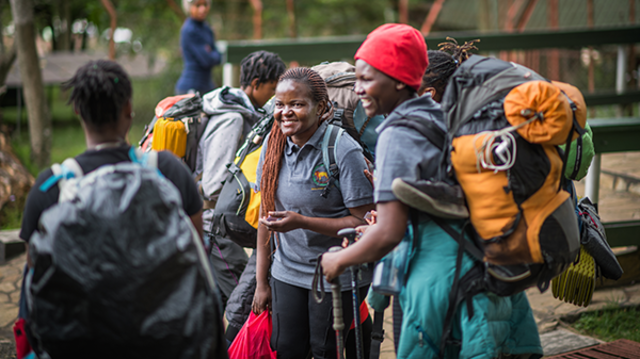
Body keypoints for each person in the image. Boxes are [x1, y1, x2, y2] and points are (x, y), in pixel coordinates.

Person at [321, 24, 542, 359]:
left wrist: (338, 260)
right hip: (478, 264)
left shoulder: (396, 133)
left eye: (367, 79)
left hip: (437, 280)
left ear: (398, 80)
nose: (358, 89)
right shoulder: (440, 115)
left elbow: (389, 234)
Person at [18, 59, 226, 357]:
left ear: (78, 111)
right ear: (129, 108)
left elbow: (37, 269)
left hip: (86, 339)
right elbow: (195, 251)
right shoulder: (169, 170)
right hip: (163, 337)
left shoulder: (50, 187)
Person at [251, 67, 375, 359]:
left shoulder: (342, 150)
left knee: (324, 351)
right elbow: (264, 219)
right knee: (287, 349)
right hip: (287, 272)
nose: (285, 112)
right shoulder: (273, 145)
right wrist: (261, 282)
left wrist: (302, 222)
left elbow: (362, 222)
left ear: (321, 108)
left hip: (335, 276)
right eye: (279, 105)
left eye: (296, 104)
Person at [196, 51, 285, 312]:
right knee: (243, 301)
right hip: (215, 224)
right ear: (256, 84)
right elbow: (213, 184)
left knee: (222, 299)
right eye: (272, 89)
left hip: (218, 222)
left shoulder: (243, 113)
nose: (275, 99)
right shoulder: (232, 119)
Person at [175, 0, 221, 95]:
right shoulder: (189, 29)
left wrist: (212, 53)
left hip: (207, 87)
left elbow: (218, 57)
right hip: (191, 88)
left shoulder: (206, 28)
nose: (202, 9)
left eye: (205, 5)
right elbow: (207, 60)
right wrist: (211, 53)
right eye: (198, 5)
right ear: (189, 7)